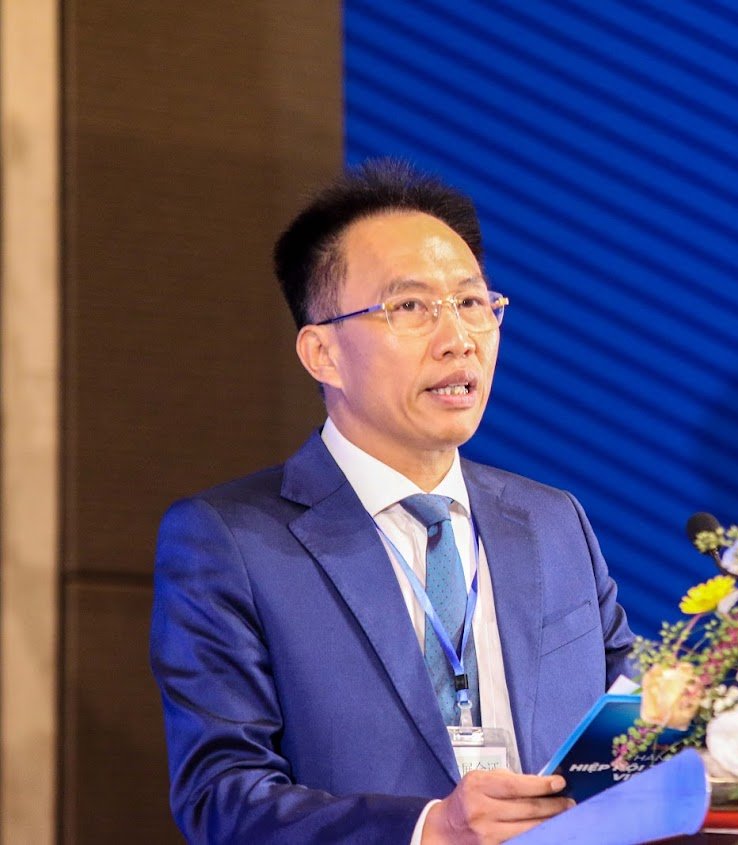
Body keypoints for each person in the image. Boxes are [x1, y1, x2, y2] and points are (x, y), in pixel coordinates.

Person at [150, 160, 635, 844]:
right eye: (410, 308)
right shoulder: (229, 541)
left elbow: (631, 729)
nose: (458, 340)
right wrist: (430, 828)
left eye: (472, 303)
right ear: (322, 353)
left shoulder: (554, 521)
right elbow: (221, 798)